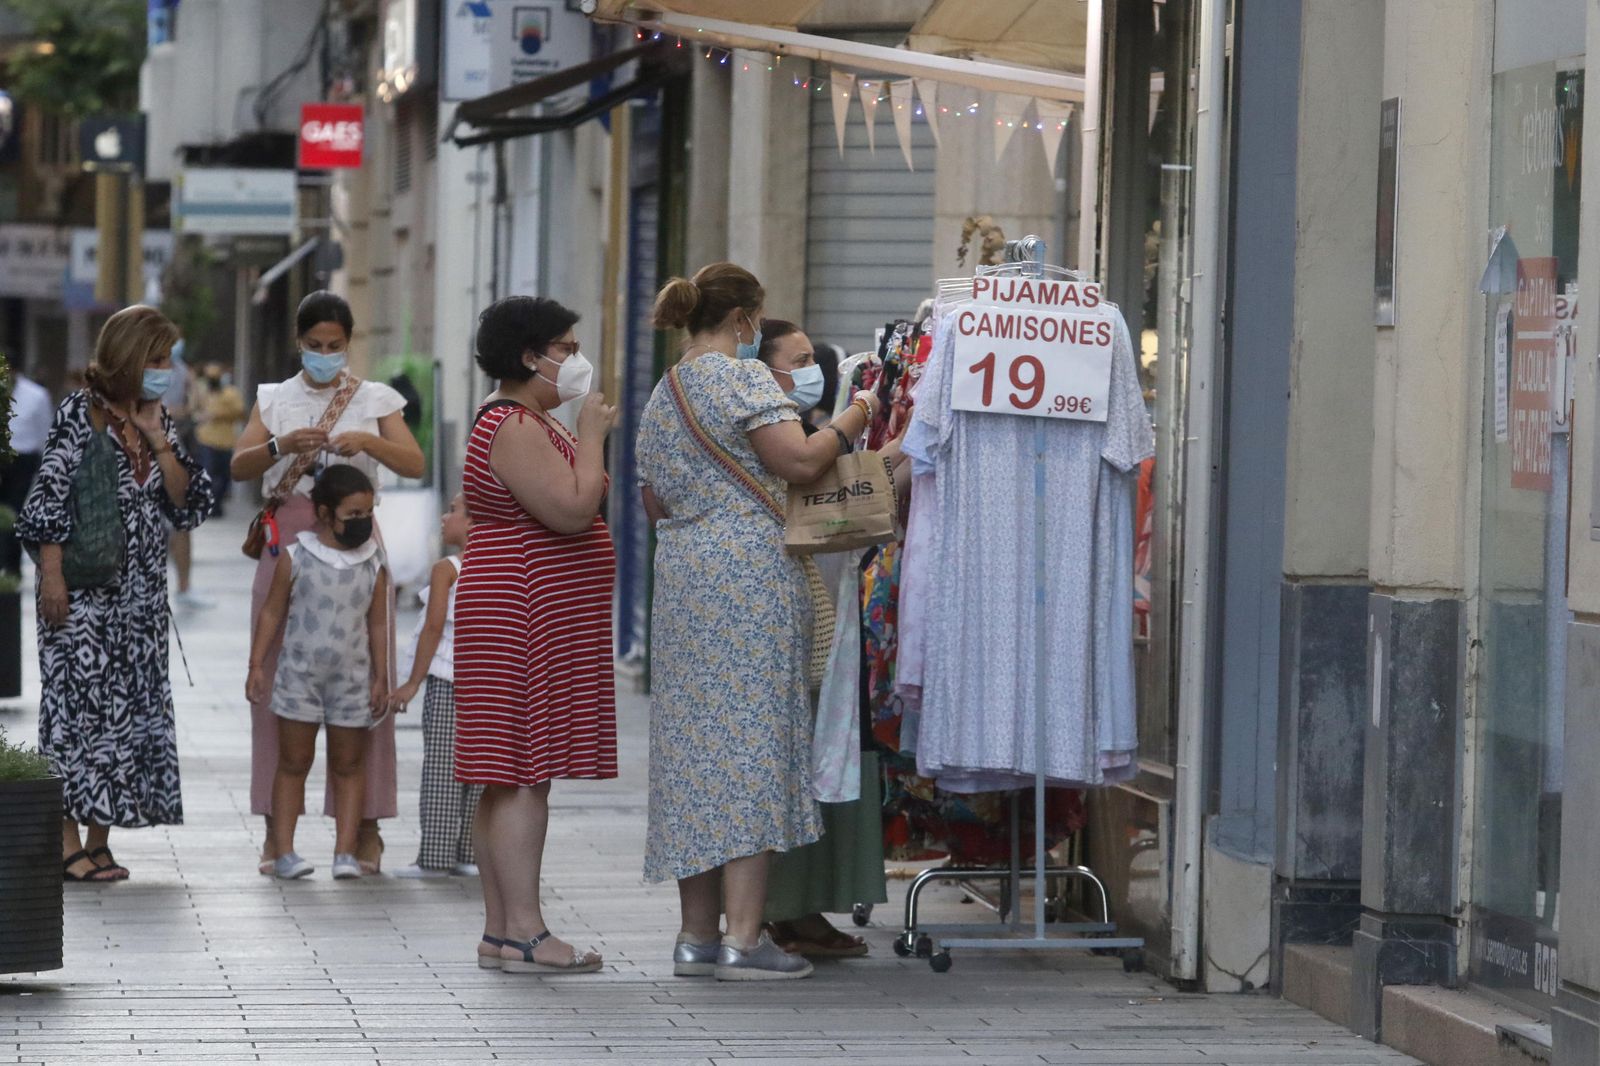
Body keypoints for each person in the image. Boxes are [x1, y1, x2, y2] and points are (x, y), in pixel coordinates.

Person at [636, 263, 881, 981]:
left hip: (683, 582)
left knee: (693, 756)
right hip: (749, 579)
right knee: (753, 747)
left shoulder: (665, 390)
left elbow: (654, 499)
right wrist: (853, 420)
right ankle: (745, 938)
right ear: (746, 319)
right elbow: (799, 460)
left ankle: (695, 939)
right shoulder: (742, 380)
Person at [16, 305, 214, 882]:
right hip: (82, 598)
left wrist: (158, 440)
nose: (164, 370)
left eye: (167, 360)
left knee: (127, 719)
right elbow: (46, 500)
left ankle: (99, 839)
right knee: (75, 716)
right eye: (156, 359)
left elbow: (187, 504)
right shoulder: (83, 414)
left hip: (142, 603)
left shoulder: (156, 419)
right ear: (130, 357)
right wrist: (52, 577)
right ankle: (64, 839)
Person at [232, 291, 425, 876]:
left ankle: (364, 829)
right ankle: (275, 833)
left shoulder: (373, 397)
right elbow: (240, 463)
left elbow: (414, 462)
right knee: (273, 689)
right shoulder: (275, 397)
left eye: (334, 346)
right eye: (314, 346)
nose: (324, 355)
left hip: (359, 537)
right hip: (289, 536)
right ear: (298, 342)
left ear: (349, 343)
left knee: (371, 677)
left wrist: (369, 442)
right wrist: (279, 445)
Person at [454, 295, 617, 975]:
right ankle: (524, 931)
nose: (576, 359)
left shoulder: (522, 421)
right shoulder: (515, 425)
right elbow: (574, 509)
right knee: (522, 776)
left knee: (510, 776)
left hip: (527, 608)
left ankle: (502, 930)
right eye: (566, 347)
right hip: (522, 611)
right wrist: (595, 433)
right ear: (531, 356)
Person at [751, 319, 886, 959]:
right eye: (799, 360)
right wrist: (869, 420)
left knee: (822, 752)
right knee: (802, 754)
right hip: (795, 613)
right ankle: (784, 910)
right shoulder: (781, 436)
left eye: (814, 358)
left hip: (824, 612)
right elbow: (829, 499)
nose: (815, 371)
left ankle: (799, 909)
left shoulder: (797, 429)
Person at [247, 464, 389, 880]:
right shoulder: (297, 555)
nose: (363, 524)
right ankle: (285, 851)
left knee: (348, 764)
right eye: (354, 516)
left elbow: (378, 622)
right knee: (293, 761)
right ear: (325, 514)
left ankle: (345, 851)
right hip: (299, 677)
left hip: (351, 679)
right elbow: (273, 611)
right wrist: (256, 664)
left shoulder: (373, 561)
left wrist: (381, 675)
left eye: (368, 515)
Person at [389, 493, 482, 880]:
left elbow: (433, 626)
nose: (445, 518)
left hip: (447, 681)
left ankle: (437, 857)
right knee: (482, 772)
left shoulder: (448, 568)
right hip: (490, 686)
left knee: (443, 769)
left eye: (454, 511)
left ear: (474, 523)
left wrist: (412, 682)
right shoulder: (506, 565)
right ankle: (471, 853)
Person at [162, 339, 207, 609]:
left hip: (171, 447)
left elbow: (195, 405)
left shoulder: (183, 372)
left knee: (181, 519)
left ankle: (184, 586)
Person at [1, 363, 53, 574]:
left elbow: (44, 430)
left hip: (23, 459)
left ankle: (11, 566)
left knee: (14, 511)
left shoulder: (36, 395)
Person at [193, 362, 245, 517]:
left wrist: (217, 414)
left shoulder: (231, 394)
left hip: (225, 441)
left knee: (224, 477)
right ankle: (208, 506)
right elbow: (194, 408)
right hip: (206, 440)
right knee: (207, 475)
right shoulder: (204, 393)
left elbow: (240, 412)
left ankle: (217, 504)